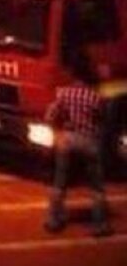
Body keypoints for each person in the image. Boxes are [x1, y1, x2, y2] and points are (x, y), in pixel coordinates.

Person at [44, 50, 112, 237]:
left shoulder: (64, 93)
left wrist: (59, 133)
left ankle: (53, 220)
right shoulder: (95, 96)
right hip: (89, 141)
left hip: (68, 139)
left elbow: (50, 116)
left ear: (72, 73)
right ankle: (100, 225)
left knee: (60, 183)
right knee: (96, 186)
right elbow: (104, 120)